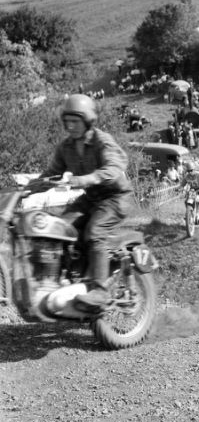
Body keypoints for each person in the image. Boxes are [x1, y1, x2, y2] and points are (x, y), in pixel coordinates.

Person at [36, 94, 132, 310]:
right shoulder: (66, 147)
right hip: (91, 198)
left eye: (75, 121)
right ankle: (68, 277)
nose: (70, 126)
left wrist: (87, 179)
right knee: (59, 227)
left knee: (95, 231)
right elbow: (51, 173)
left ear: (88, 120)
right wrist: (27, 189)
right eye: (67, 121)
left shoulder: (102, 141)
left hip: (115, 196)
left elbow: (115, 167)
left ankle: (100, 291)